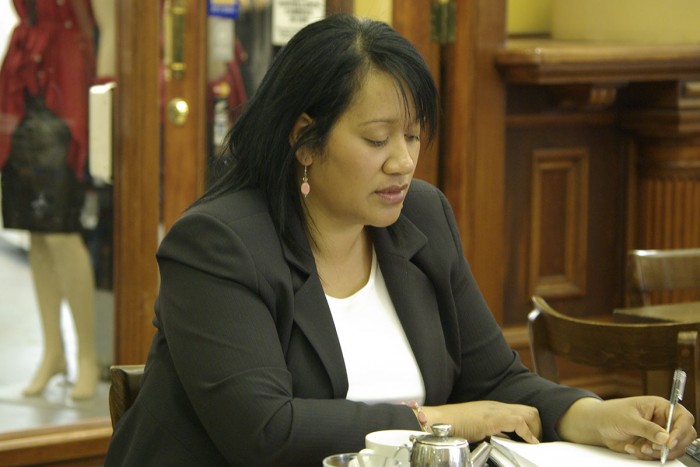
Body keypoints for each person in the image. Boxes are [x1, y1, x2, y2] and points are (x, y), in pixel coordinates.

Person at [104, 14, 696, 466]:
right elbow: (265, 432)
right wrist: (446, 423)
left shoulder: (422, 218)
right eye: (378, 139)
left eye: (413, 136)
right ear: (304, 139)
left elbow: (494, 380)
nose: (404, 162)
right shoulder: (217, 244)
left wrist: (593, 415)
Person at [0, 0, 99, 400]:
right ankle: (53, 351)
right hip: (24, 87)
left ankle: (88, 355)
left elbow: (96, 26)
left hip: (67, 84)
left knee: (61, 230)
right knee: (37, 233)